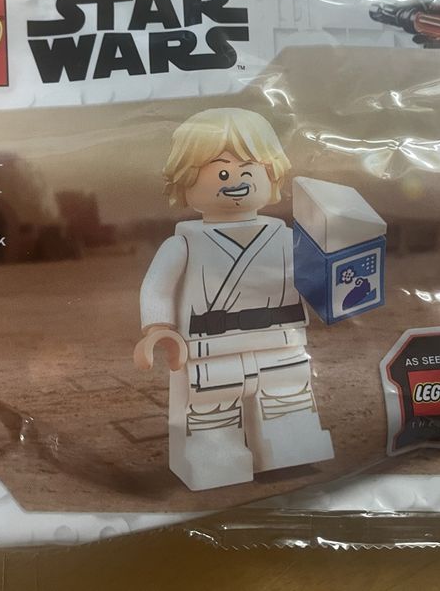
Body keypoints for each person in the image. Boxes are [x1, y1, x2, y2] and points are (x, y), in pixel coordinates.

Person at [135, 108, 333, 491]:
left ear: (271, 174)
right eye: (221, 173)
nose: (237, 182)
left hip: (281, 343)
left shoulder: (286, 239)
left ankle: (290, 452)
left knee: (287, 400)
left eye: (248, 170)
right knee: (212, 410)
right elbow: (157, 287)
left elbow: (316, 278)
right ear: (185, 179)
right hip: (212, 348)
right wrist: (158, 328)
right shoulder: (183, 244)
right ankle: (215, 459)